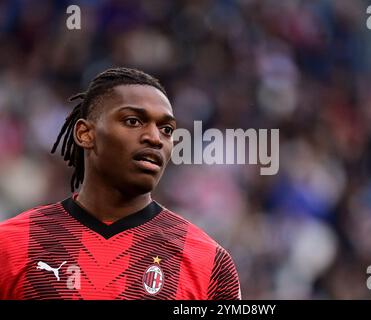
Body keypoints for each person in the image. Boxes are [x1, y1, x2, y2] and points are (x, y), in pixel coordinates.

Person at [0, 67, 241, 300]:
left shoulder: (209, 263)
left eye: (166, 129)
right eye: (133, 121)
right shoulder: (10, 245)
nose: (155, 138)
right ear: (85, 134)